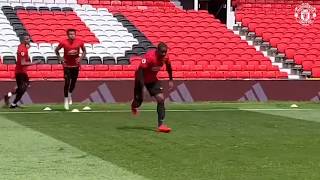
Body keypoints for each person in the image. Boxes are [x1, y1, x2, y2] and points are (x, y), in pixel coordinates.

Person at [131, 42, 174, 133]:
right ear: (157, 50)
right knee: (138, 102)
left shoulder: (165, 57)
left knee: (161, 99)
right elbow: (140, 71)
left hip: (153, 80)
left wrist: (170, 79)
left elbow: (169, 67)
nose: (163, 54)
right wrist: (143, 87)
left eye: (165, 52)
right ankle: (134, 105)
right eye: (162, 52)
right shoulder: (149, 57)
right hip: (140, 79)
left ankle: (161, 125)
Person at [4, 34, 41, 108]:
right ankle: (13, 103)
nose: (29, 40)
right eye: (27, 39)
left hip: (23, 72)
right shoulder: (22, 49)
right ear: (23, 40)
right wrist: (35, 62)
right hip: (20, 72)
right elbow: (23, 63)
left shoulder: (23, 47)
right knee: (22, 89)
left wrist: (27, 46)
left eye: (29, 39)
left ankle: (9, 97)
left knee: (23, 88)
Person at [55, 29, 86, 110]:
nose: (72, 35)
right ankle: (65, 100)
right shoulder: (63, 42)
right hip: (66, 66)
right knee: (67, 82)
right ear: (67, 35)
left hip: (75, 66)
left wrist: (81, 58)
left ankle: (69, 94)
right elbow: (56, 50)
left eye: (73, 34)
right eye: (70, 34)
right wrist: (60, 58)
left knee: (73, 83)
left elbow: (84, 51)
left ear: (75, 34)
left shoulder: (80, 42)